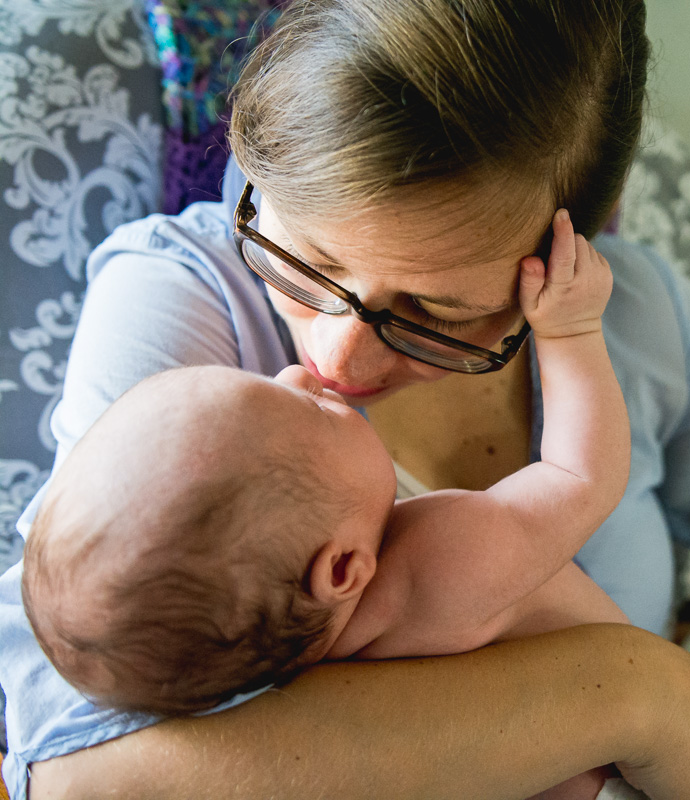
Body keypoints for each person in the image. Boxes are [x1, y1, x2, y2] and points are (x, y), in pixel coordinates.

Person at [0, 1, 690, 799]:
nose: (337, 351)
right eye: (306, 254)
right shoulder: (187, 301)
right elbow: (80, 758)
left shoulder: (637, 324)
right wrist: (636, 690)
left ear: (567, 251)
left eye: (438, 307)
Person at [22, 218, 630, 800]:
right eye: (312, 411)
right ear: (341, 570)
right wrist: (571, 333)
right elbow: (579, 477)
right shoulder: (437, 563)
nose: (299, 374)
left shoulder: (265, 664)